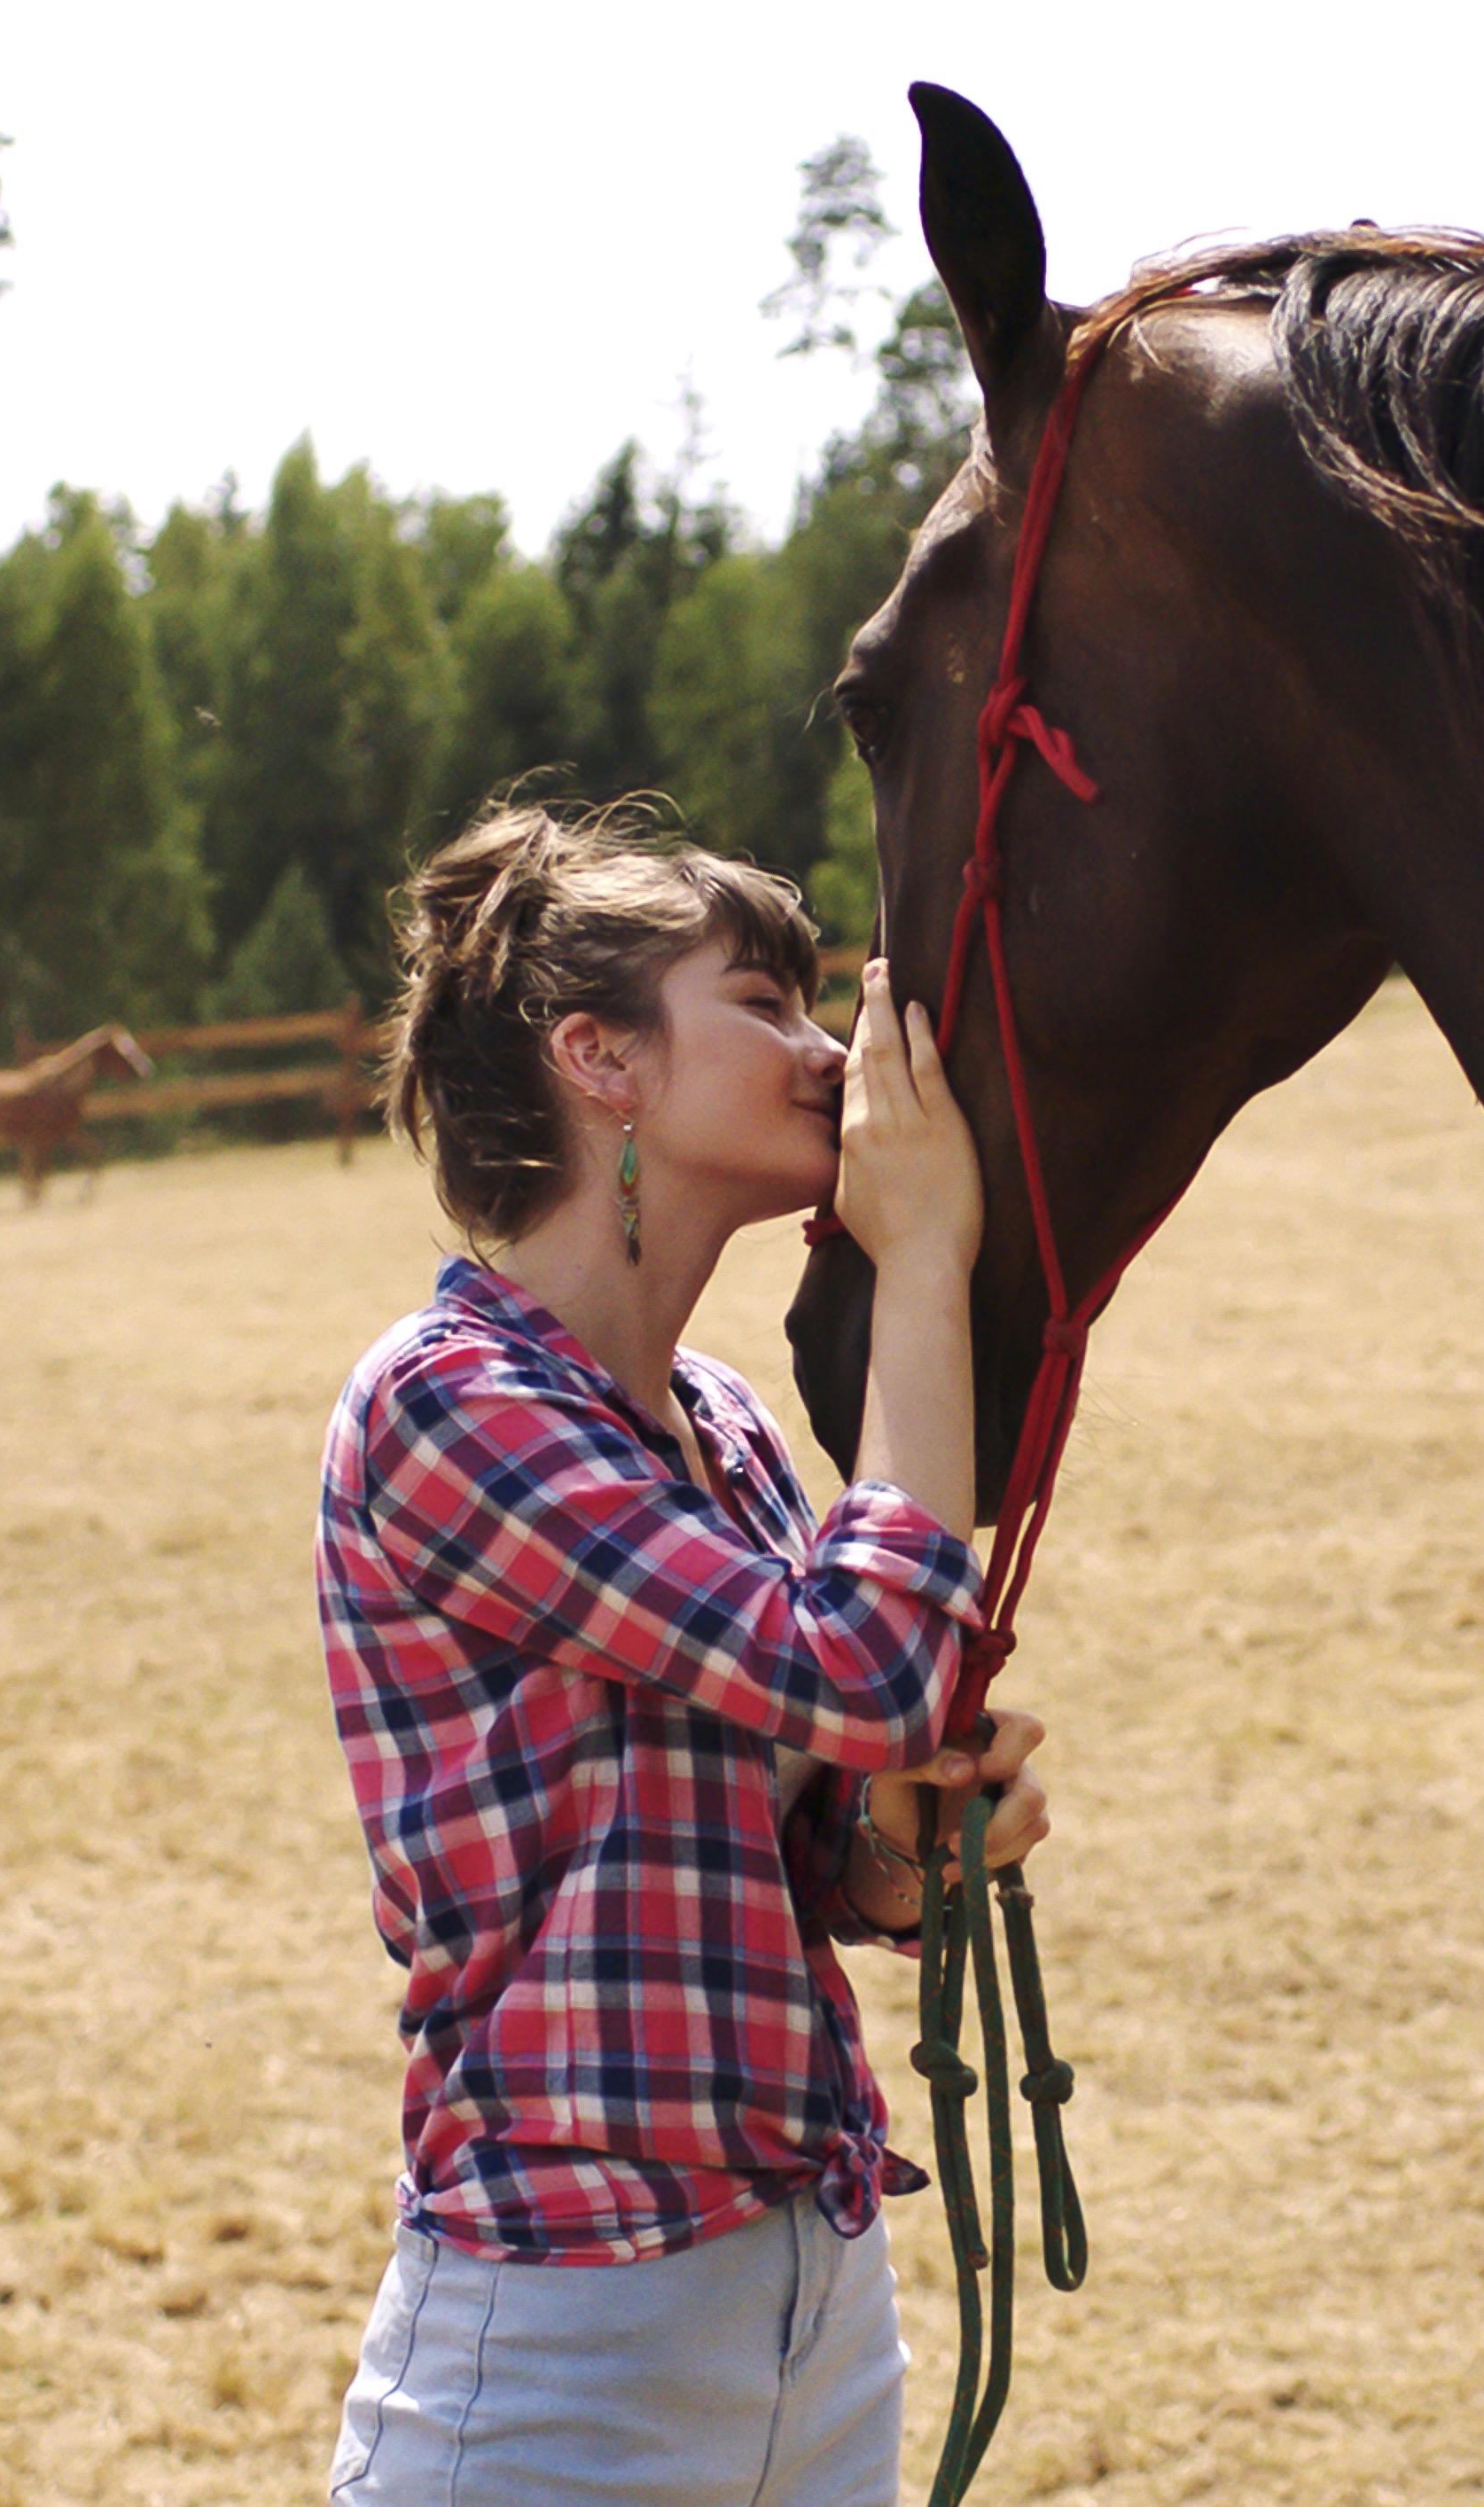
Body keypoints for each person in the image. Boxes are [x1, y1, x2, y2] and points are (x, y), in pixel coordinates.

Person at [316, 801, 1047, 2505]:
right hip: (562, 2358)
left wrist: (891, 1847)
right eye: (762, 1004)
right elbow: (865, 1667)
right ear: (601, 1059)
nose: (819, 1054)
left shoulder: (714, 1419)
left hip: (813, 2310)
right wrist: (924, 1257)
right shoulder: (447, 1402)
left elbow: (793, 1835)